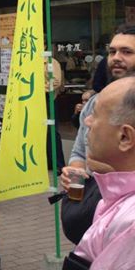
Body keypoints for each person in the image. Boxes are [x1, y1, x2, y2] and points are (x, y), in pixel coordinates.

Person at [60, 25, 135, 244]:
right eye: (112, 52)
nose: (116, 58)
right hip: (94, 211)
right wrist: (73, 173)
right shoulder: (95, 102)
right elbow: (79, 151)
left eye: (127, 52)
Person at [68, 75, 135, 268]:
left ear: (124, 137)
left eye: (95, 114)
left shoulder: (129, 223)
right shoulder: (116, 197)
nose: (87, 121)